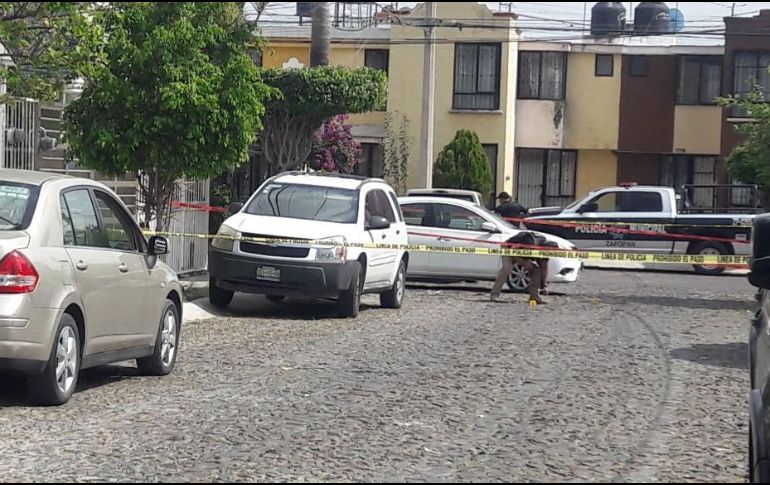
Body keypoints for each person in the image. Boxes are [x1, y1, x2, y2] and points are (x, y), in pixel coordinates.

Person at [490, 231, 554, 304]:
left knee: (536, 271)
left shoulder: (544, 251)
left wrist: (544, 286)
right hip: (508, 248)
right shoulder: (529, 241)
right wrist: (522, 262)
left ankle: (534, 297)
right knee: (507, 268)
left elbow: (544, 268)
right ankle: (494, 295)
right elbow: (513, 251)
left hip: (521, 252)